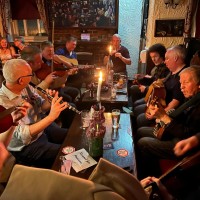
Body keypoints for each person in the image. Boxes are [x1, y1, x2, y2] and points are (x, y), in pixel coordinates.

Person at [0, 59, 68, 168]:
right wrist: (51, 117)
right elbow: (23, 135)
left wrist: (49, 102)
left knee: (70, 136)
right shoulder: (2, 104)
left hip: (40, 129)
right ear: (21, 80)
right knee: (67, 155)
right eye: (30, 74)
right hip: (26, 146)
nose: (32, 76)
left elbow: (41, 107)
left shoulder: (26, 87)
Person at [136, 65, 200, 179]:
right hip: (173, 132)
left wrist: (164, 118)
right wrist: (160, 114)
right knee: (140, 131)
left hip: (182, 144)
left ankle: (149, 177)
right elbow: (179, 115)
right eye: (180, 83)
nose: (182, 87)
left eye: (186, 82)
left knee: (143, 143)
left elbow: (187, 134)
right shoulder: (191, 98)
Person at [135, 45, 186, 128]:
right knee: (138, 109)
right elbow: (160, 83)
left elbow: (175, 103)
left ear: (176, 58)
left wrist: (157, 114)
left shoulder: (182, 76)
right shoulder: (172, 71)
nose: (165, 62)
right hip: (158, 103)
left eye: (167, 59)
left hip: (166, 111)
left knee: (140, 118)